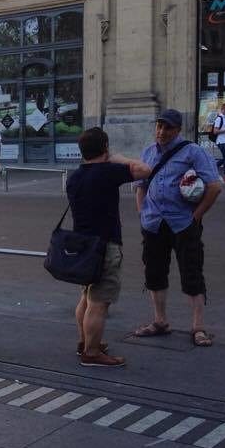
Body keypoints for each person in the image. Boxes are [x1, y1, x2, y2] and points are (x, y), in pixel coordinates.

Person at [134, 109, 222, 347]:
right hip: (153, 224)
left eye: (168, 128)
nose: (162, 132)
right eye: (159, 126)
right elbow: (141, 185)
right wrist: (142, 212)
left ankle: (198, 327)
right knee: (154, 273)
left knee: (192, 272)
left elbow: (214, 186)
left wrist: (196, 216)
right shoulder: (148, 152)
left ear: (178, 130)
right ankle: (160, 321)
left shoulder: (193, 152)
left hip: (183, 223)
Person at [68, 128, 151, 367]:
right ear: (105, 146)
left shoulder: (75, 177)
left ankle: (85, 343)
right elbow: (145, 169)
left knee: (86, 296)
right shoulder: (107, 172)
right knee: (99, 302)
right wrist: (118, 157)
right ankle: (92, 353)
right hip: (105, 244)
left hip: (84, 246)